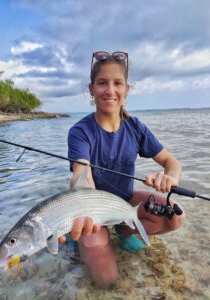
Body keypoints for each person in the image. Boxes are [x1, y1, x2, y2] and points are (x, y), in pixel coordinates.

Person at [59, 51, 185, 288]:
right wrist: (81, 192)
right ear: (91, 89)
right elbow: (81, 171)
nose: (110, 90)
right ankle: (85, 239)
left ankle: (125, 232)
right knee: (107, 280)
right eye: (102, 83)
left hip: (124, 202)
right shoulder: (80, 131)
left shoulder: (136, 127)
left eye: (117, 83)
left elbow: (172, 162)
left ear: (126, 89)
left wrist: (169, 178)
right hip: (92, 210)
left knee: (176, 217)